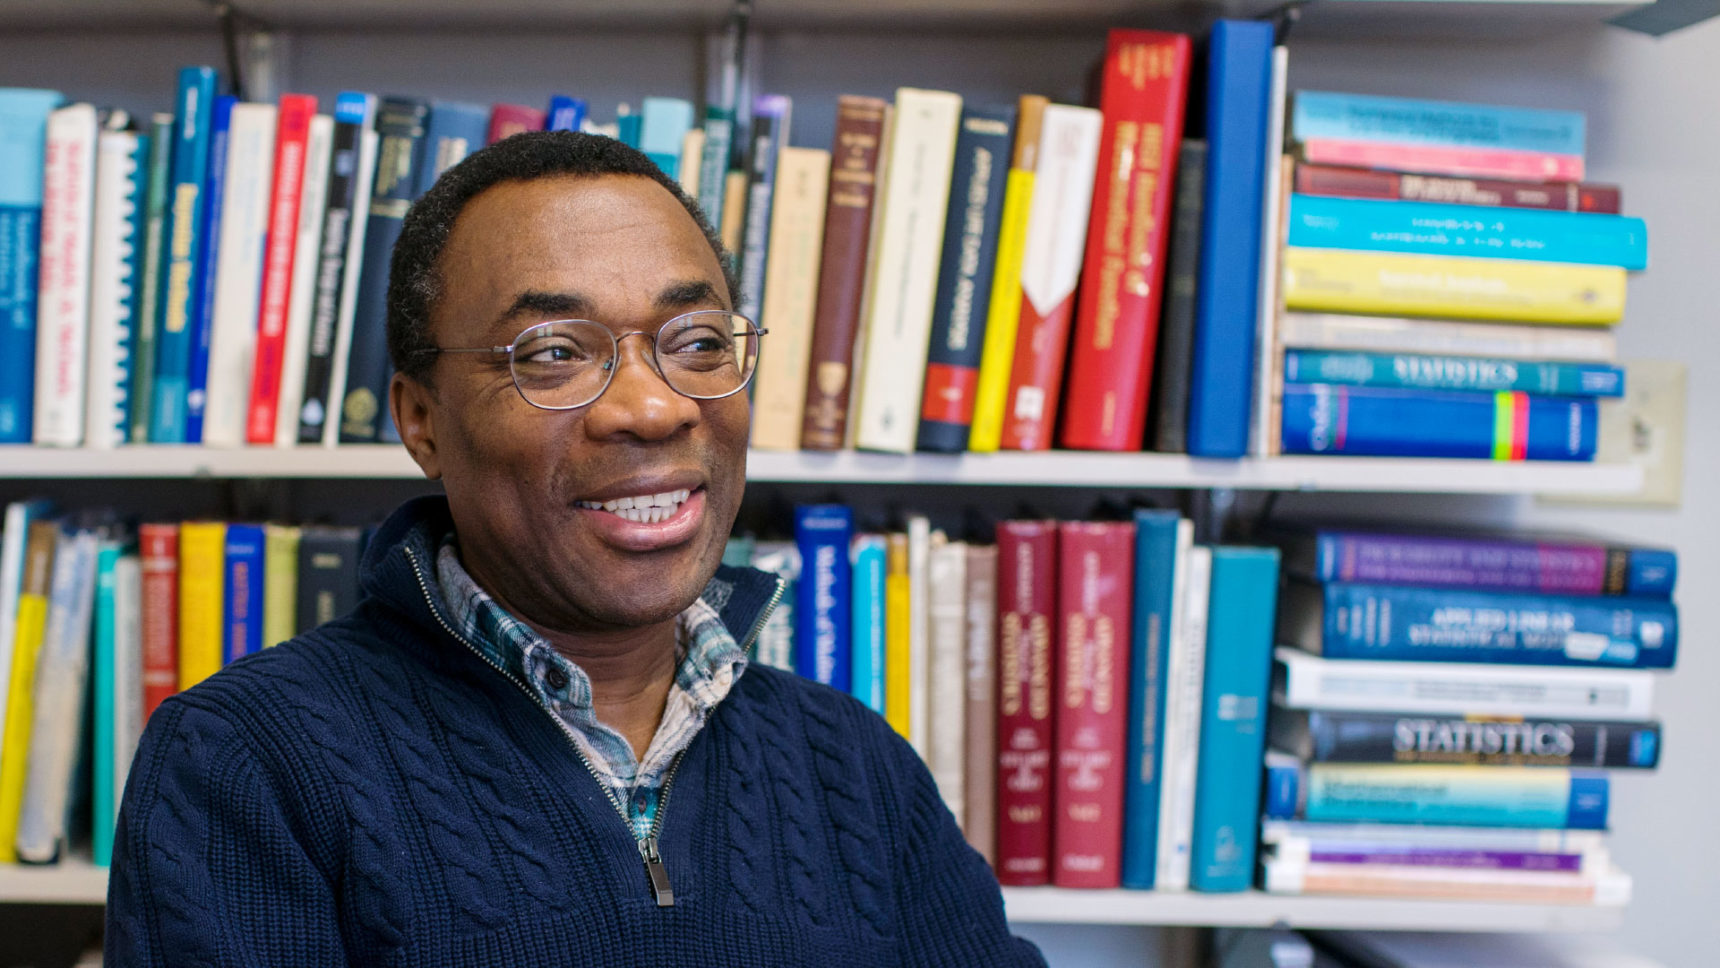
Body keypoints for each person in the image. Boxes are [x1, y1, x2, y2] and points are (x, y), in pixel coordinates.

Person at [107, 131, 1046, 967]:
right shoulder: (247, 764)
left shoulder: (855, 768)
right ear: (422, 421)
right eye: (554, 351)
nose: (655, 405)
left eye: (698, 341)